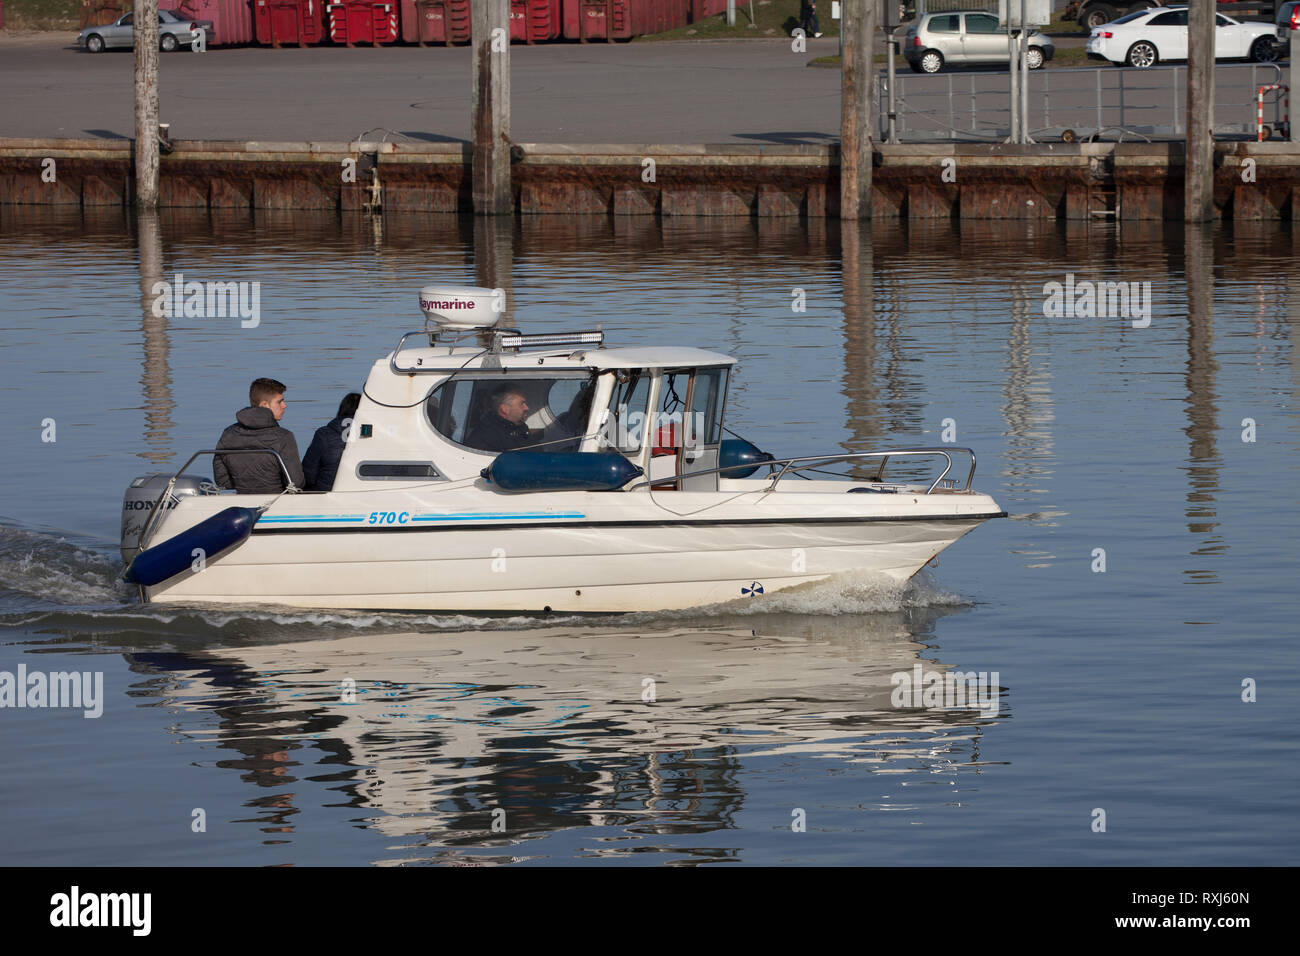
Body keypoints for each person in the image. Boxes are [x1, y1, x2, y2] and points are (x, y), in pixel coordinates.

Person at [214, 378, 306, 494]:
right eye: (279, 402)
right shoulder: (284, 437)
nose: (284, 406)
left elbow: (223, 482)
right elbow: (296, 483)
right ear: (264, 405)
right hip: (277, 502)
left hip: (241, 500)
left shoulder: (228, 434)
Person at [302, 392, 361, 492]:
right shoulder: (377, 435)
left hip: (326, 493)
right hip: (363, 493)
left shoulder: (323, 435)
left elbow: (308, 475)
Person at [464, 387, 533, 452]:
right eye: (522, 404)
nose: (526, 408)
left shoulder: (519, 428)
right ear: (504, 409)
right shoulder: (486, 436)